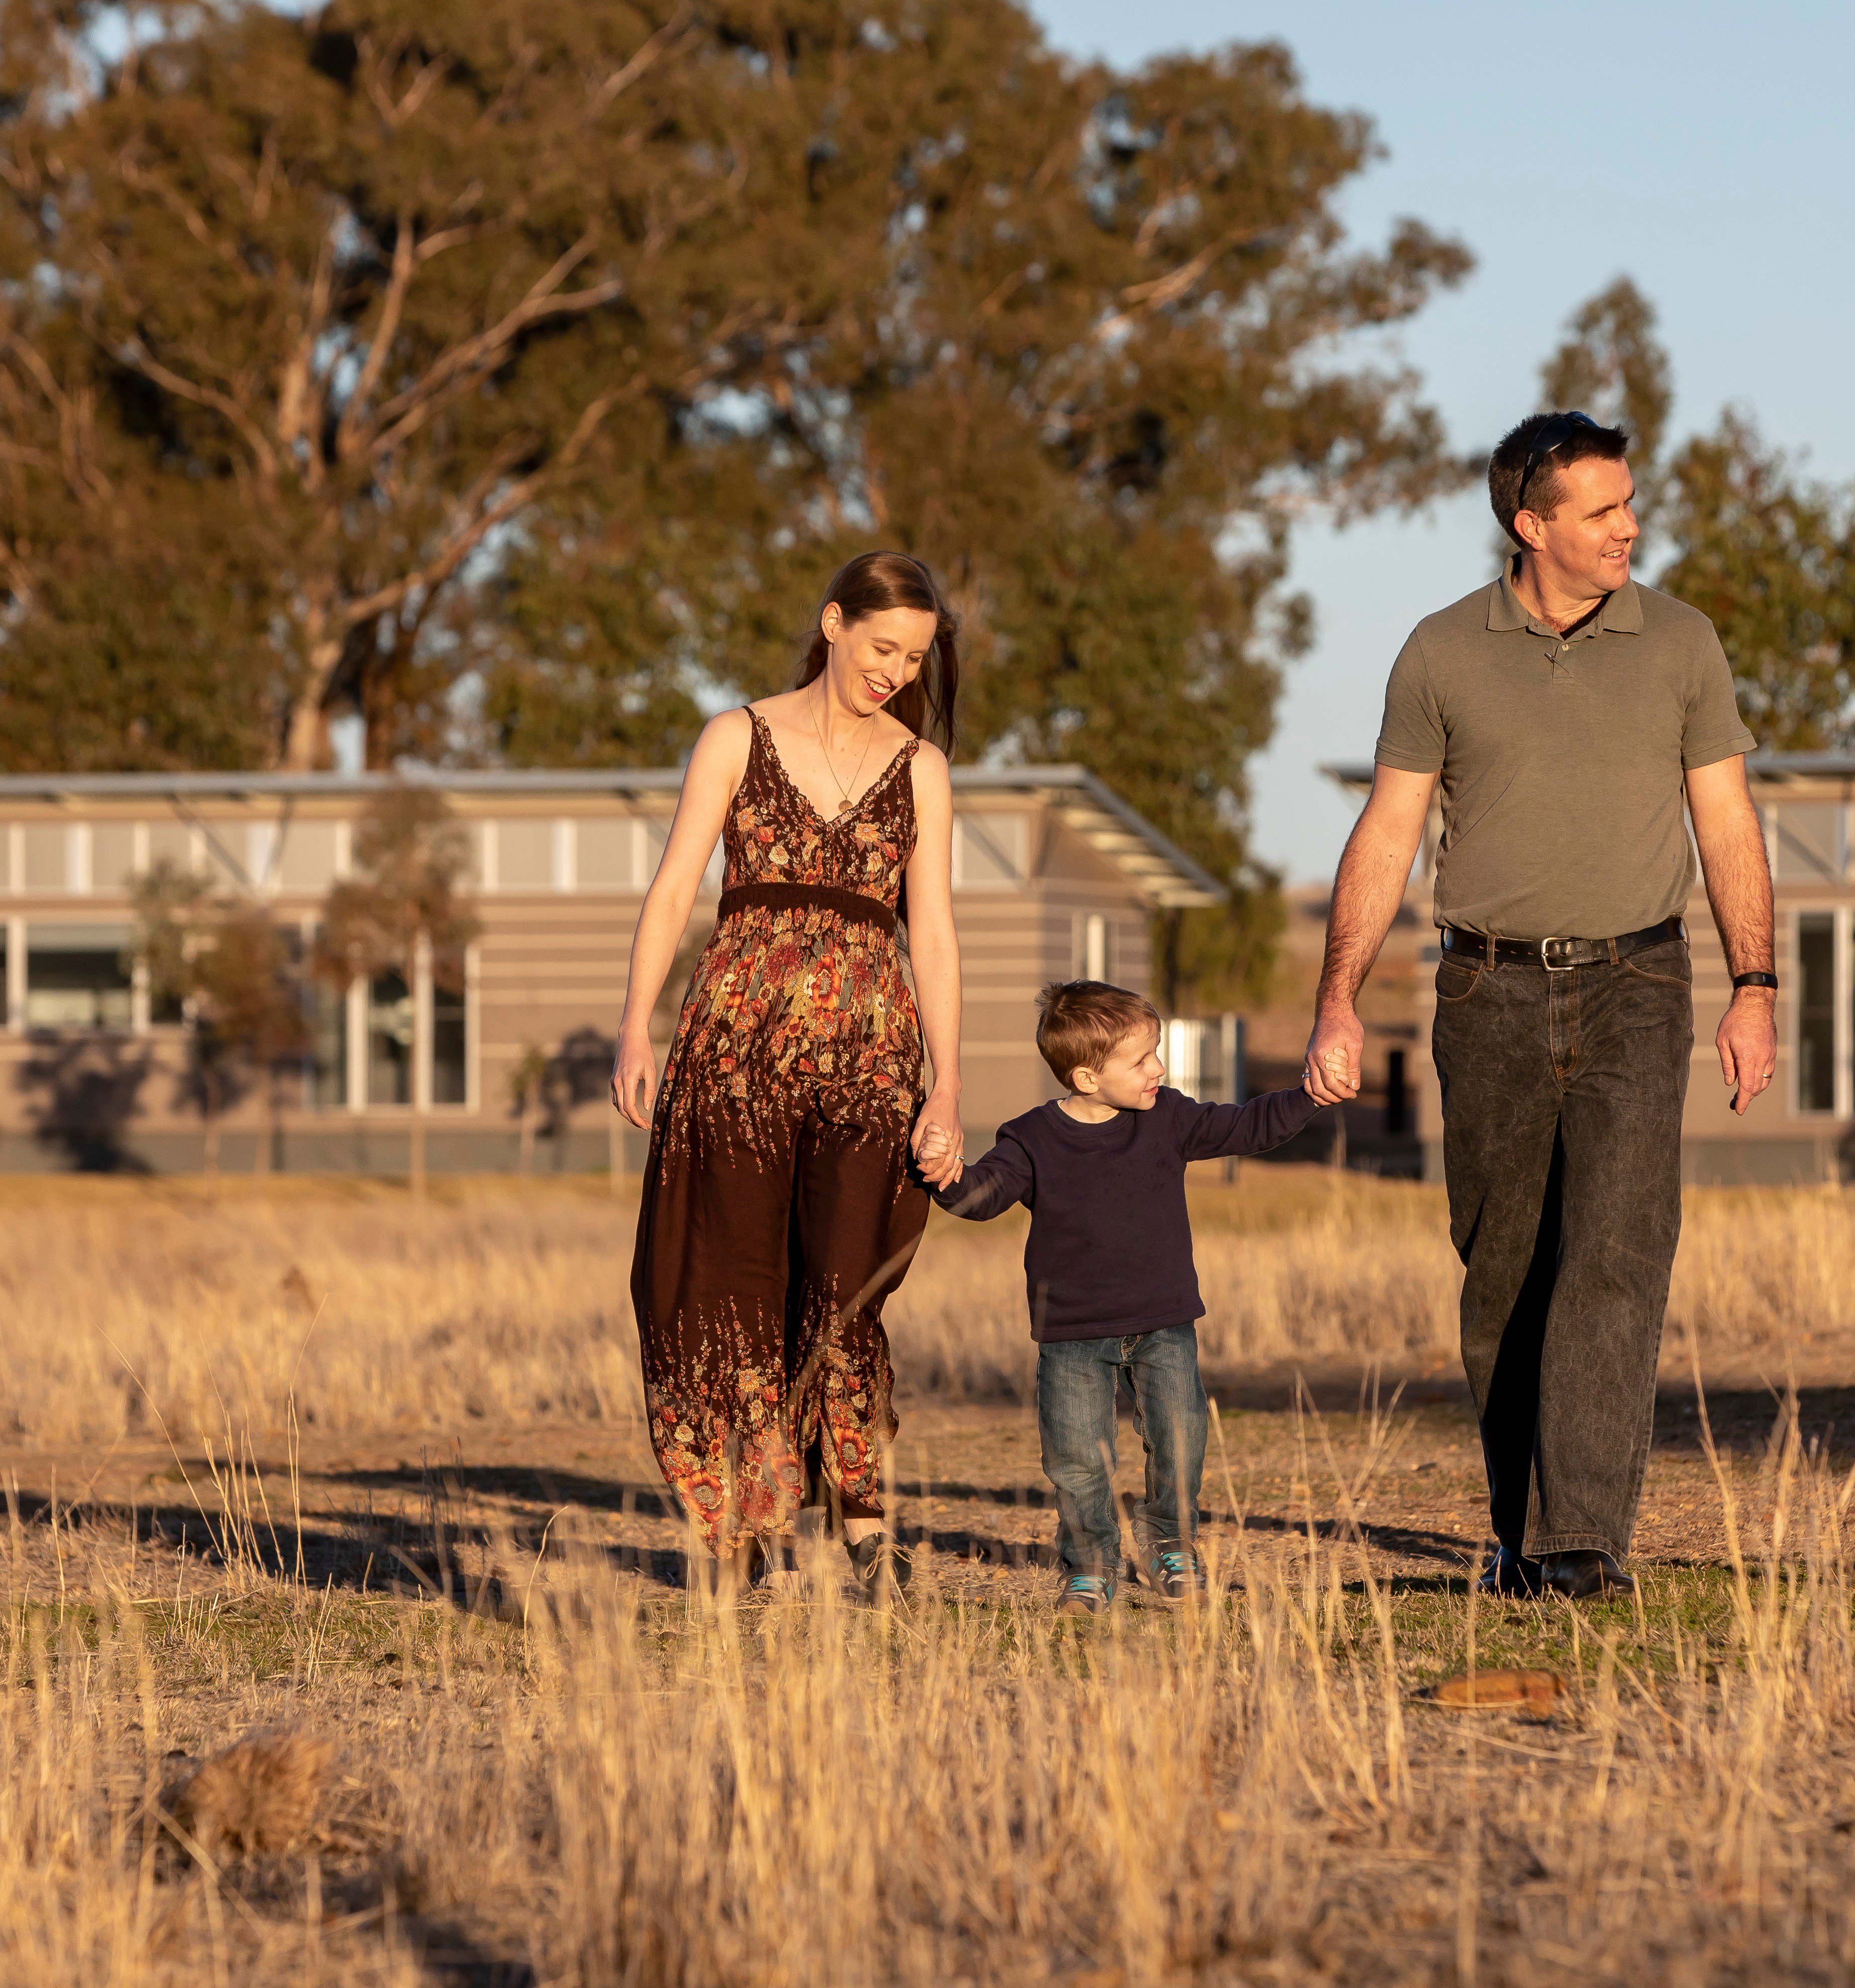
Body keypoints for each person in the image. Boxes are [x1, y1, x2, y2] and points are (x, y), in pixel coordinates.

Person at [1304, 410, 1779, 1600]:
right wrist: (1336, 1002)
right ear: (1531, 524)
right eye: (1603, 509)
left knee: (1615, 1250)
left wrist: (1753, 983)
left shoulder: (1679, 643)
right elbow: (1387, 832)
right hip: (1482, 985)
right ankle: (1521, 1531)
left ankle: (1578, 1540)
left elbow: (1724, 819)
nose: (1629, 525)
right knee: (1502, 1267)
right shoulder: (1438, 652)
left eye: (1628, 503)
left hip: (1639, 981)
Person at [613, 551, 969, 1597]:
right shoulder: (737, 737)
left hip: (871, 1065)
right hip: (734, 1059)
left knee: (846, 1288)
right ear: (832, 624)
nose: (895, 673)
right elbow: (677, 884)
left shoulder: (923, 770)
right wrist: (635, 1028)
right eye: (881, 647)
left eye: (914, 658)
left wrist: (947, 1082)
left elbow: (935, 932)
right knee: (729, 1288)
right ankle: (744, 1528)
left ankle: (864, 1524)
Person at [922, 980, 1317, 1614]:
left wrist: (1308, 1095)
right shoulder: (1030, 1139)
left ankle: (1171, 1544)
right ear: (1085, 1076)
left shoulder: (1167, 1118)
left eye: (1155, 1052)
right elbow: (982, 1196)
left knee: (1182, 1438)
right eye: (1140, 1060)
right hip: (1072, 1334)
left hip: (1164, 1323)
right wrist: (945, 1175)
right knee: (1076, 1458)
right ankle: (1091, 1566)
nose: (1158, 1068)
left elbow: (1246, 1126)